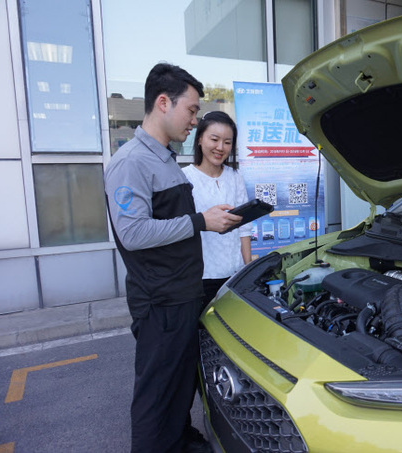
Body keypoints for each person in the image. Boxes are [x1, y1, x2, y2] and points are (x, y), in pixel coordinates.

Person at [104, 62, 242, 453]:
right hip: (160, 303)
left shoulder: (164, 158)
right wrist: (200, 221)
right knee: (156, 395)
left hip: (183, 296)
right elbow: (132, 234)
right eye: (192, 110)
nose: (194, 120)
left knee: (181, 385)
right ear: (163, 102)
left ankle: (180, 441)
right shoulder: (131, 162)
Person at [182, 111, 252, 308]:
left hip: (235, 273)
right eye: (214, 139)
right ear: (200, 139)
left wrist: (246, 269)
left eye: (227, 142)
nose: (220, 147)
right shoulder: (184, 178)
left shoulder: (234, 176)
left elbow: (243, 227)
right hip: (201, 275)